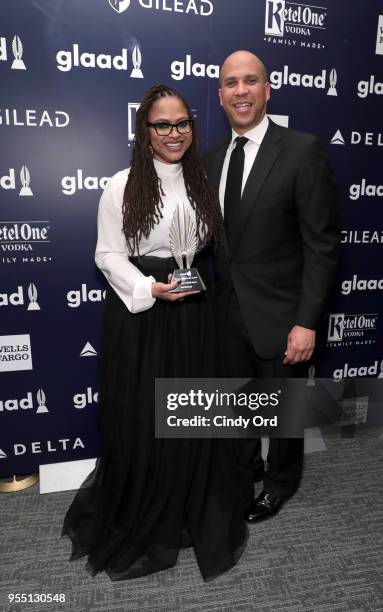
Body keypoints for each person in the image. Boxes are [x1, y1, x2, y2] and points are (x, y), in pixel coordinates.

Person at [62, 84, 253, 581]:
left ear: (192, 126)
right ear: (144, 131)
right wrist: (149, 287)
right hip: (145, 316)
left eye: (182, 123)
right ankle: (150, 509)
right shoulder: (121, 185)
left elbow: (207, 246)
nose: (174, 133)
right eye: (162, 124)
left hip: (193, 311)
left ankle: (188, 504)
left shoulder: (201, 181)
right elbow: (106, 255)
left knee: (190, 409)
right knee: (146, 413)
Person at [204, 51, 340, 522]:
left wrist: (306, 323)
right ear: (220, 95)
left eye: (250, 81)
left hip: (283, 316)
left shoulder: (303, 150)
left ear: (267, 88)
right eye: (230, 84)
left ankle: (281, 483)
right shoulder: (213, 156)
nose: (240, 91)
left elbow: (321, 246)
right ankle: (249, 469)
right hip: (227, 313)